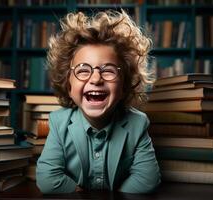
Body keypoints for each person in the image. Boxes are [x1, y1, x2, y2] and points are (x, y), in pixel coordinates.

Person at [36, 9, 161, 194]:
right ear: (68, 84)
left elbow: (147, 180)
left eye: (108, 70)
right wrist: (79, 193)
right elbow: (48, 179)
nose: (96, 79)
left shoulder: (137, 123)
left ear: (125, 85)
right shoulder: (58, 122)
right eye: (83, 70)